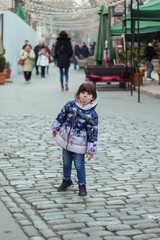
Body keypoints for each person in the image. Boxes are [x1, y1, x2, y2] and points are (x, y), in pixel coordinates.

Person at [51, 81, 98, 196]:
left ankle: (82, 185)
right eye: (83, 92)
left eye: (89, 94)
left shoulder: (92, 114)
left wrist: (91, 150)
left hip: (80, 144)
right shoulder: (70, 105)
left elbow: (93, 133)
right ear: (78, 93)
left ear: (93, 98)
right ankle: (66, 180)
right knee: (66, 162)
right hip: (66, 140)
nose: (85, 96)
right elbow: (61, 116)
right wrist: (55, 128)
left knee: (79, 164)